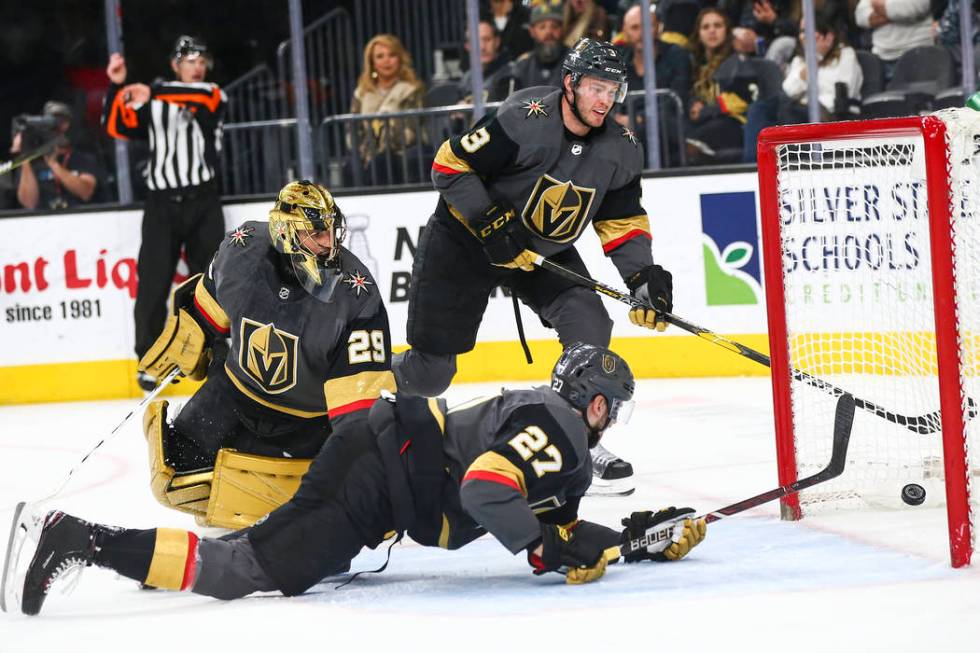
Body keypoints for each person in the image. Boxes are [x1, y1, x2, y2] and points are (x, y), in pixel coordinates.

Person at [12, 344, 707, 616]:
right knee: (244, 568)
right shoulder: (559, 424)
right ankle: (78, 538)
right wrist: (540, 550)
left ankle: (141, 560)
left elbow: (550, 523)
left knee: (254, 551)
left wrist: (633, 537)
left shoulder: (555, 432)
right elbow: (487, 490)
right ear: (594, 398)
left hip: (378, 464)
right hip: (375, 475)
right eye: (611, 404)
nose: (611, 418)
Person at [394, 39, 674, 492]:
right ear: (570, 84)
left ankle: (575, 440)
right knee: (431, 374)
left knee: (588, 320)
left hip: (540, 249)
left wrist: (643, 275)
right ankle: (354, 396)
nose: (605, 101)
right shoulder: (524, 118)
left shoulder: (621, 148)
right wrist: (488, 222)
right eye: (596, 88)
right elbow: (449, 166)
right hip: (465, 238)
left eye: (614, 91)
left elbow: (621, 220)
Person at [134, 180, 396, 528]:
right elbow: (206, 317)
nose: (328, 243)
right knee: (171, 471)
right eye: (316, 233)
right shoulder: (243, 249)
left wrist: (364, 478)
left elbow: (357, 415)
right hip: (234, 393)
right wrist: (186, 344)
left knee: (314, 530)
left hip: (305, 424)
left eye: (331, 231)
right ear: (285, 231)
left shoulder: (357, 296)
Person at [102, 35, 227, 391]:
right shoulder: (156, 103)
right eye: (190, 60)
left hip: (202, 200)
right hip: (161, 204)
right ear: (175, 65)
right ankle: (149, 359)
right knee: (153, 284)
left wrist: (151, 92)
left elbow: (202, 99)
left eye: (202, 60)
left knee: (210, 283)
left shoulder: (212, 94)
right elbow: (116, 126)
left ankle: (214, 355)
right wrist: (116, 87)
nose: (198, 67)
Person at [349, 34, 426, 185]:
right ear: (372, 62)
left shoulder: (411, 90)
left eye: (392, 55)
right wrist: (362, 149)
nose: (386, 61)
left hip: (401, 150)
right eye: (380, 56)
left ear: (400, 59)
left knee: (382, 162)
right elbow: (352, 130)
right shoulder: (361, 93)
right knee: (350, 165)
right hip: (367, 152)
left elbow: (412, 129)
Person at [686, 8, 752, 163]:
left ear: (727, 30)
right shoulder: (696, 65)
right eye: (706, 27)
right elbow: (690, 94)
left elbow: (742, 101)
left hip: (735, 124)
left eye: (717, 25)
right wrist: (693, 104)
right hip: (706, 123)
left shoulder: (738, 61)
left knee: (694, 139)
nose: (712, 31)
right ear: (699, 33)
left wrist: (707, 111)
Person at [11, 101, 103, 211]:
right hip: (43, 221)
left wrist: (54, 164)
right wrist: (25, 158)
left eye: (62, 123)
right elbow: (29, 203)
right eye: (52, 125)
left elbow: (85, 192)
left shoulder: (83, 159)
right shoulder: (33, 163)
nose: (57, 129)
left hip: (79, 218)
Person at [781, 16, 862, 122]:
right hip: (801, 111)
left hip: (833, 115)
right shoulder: (799, 60)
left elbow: (843, 93)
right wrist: (810, 65)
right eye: (802, 31)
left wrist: (818, 57)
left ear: (828, 36)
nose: (804, 36)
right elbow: (788, 91)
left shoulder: (846, 54)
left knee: (788, 111)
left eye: (809, 31)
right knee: (765, 107)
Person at [854, 0, 933, 77]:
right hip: (881, 58)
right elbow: (861, 17)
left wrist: (879, 7)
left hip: (918, 54)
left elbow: (915, 7)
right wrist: (896, 13)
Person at [511, 0, 570, 90]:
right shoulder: (522, 66)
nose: (549, 32)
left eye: (554, 26)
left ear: (562, 29)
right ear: (532, 31)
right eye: (542, 27)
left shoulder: (574, 62)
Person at [459, 17, 516, 103]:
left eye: (487, 39)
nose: (482, 47)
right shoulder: (466, 80)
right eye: (476, 42)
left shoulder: (510, 76)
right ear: (468, 46)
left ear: (497, 42)